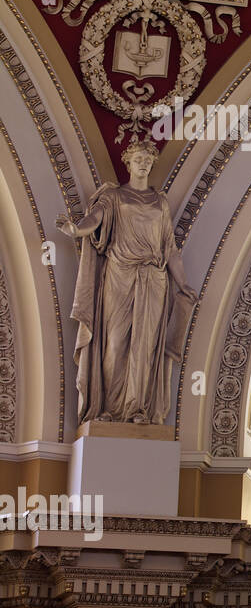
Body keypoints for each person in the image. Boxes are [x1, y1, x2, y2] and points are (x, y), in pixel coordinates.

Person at [56, 139, 197, 425]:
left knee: (144, 347)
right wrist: (75, 229)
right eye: (139, 160)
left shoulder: (160, 202)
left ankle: (136, 409)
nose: (144, 164)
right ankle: (107, 407)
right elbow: (94, 219)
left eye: (148, 161)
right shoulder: (114, 197)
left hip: (154, 279)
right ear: (128, 163)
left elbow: (169, 248)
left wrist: (182, 284)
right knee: (115, 342)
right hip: (119, 276)